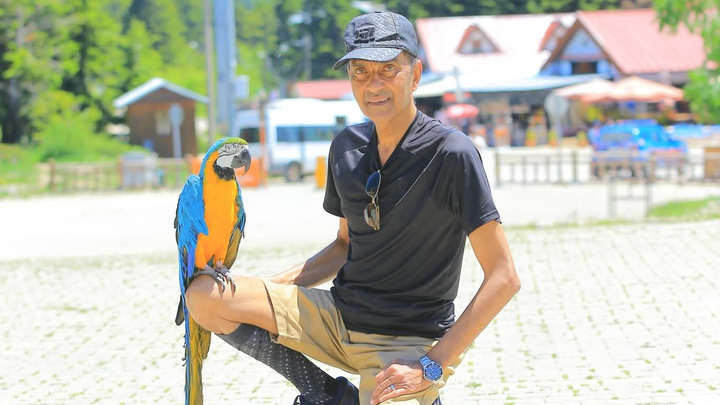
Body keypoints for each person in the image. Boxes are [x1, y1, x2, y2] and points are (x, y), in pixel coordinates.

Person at [185, 10, 520, 405]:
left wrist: (431, 365)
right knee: (204, 296)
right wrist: (267, 292)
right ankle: (327, 393)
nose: (373, 83)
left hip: (406, 343)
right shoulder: (346, 147)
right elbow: (344, 246)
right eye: (360, 71)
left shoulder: (452, 153)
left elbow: (503, 277)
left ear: (415, 74)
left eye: (388, 69)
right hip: (337, 318)